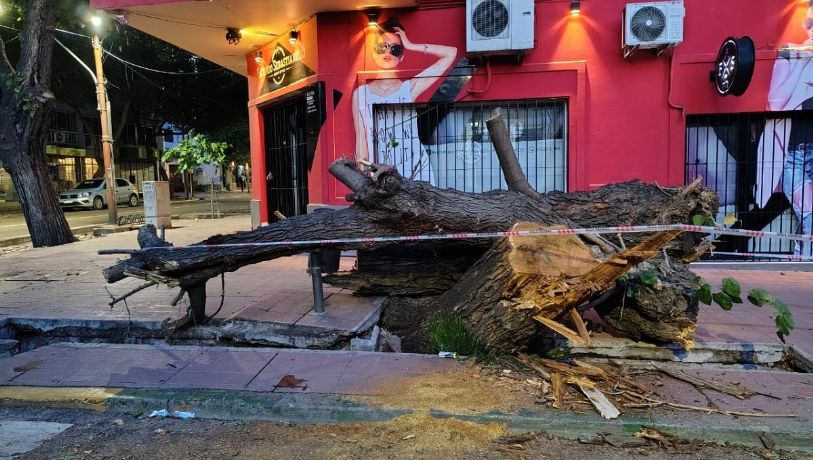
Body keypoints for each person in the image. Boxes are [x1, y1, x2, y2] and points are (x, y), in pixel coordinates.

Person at [351, 17, 457, 184]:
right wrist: (365, 178)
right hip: (380, 173)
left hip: (416, 170)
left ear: (402, 56)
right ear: (373, 51)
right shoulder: (361, 94)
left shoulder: (409, 88)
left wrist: (411, 45)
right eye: (382, 47)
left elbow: (451, 53)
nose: (387, 52)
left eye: (395, 49)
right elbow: (361, 140)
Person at [758, 2, 813, 255]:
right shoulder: (789, 54)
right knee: (808, 210)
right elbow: (776, 103)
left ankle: (802, 256)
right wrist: (801, 59)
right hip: (794, 155)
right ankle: (803, 258)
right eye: (810, 23)